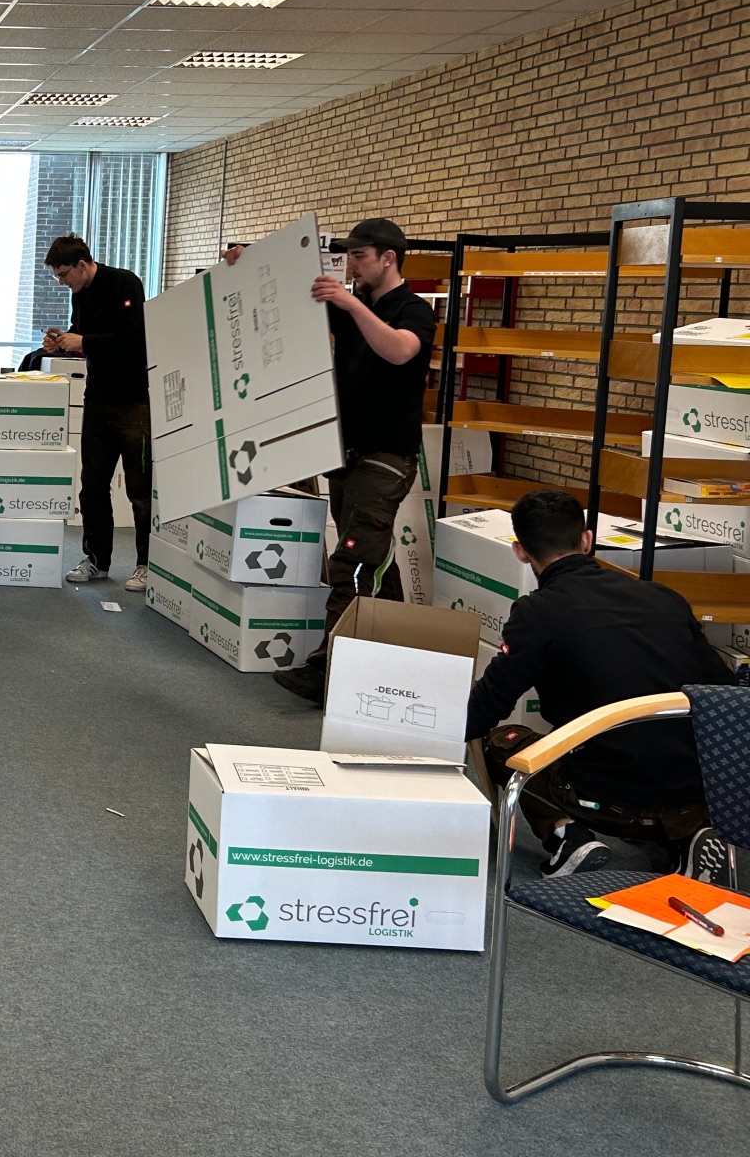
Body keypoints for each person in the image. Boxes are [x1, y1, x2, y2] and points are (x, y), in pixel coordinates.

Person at [468, 488, 733, 881]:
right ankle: (690, 836)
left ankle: (568, 836)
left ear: (520, 550)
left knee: (502, 742)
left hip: (605, 801)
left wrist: (425, 741)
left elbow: (489, 704)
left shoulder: (537, 613)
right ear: (588, 540)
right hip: (696, 794)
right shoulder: (663, 597)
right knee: (655, 760)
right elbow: (724, 691)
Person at [222, 217, 437, 701]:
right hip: (348, 452)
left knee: (355, 561)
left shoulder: (411, 309)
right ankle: (402, 656)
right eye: (350, 257)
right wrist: (245, 261)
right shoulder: (357, 304)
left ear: (389, 258)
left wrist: (349, 304)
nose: (353, 266)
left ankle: (329, 669)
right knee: (372, 560)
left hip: (386, 456)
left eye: (361, 257)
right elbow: (287, 299)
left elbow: (401, 351)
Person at [40, 233, 151, 591]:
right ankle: (97, 560)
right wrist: (64, 341)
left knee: (139, 490)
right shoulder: (80, 294)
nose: (62, 283)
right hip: (98, 400)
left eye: (64, 275)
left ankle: (146, 564)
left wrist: (83, 342)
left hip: (135, 402)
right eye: (56, 277)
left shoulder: (124, 283)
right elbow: (83, 337)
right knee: (92, 488)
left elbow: (134, 340)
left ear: (83, 265)